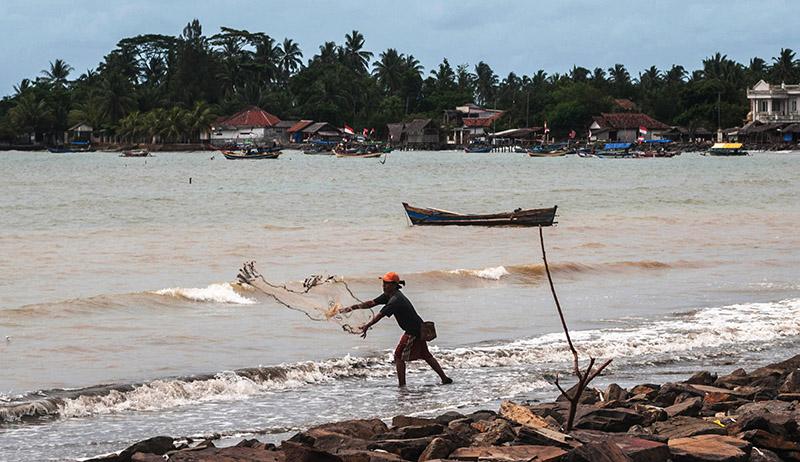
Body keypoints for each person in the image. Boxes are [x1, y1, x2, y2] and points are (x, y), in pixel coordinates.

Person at [341, 272, 453, 387]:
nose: (384, 286)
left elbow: (380, 315)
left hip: (413, 332)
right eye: (383, 283)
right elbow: (371, 303)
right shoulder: (389, 295)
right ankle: (444, 378)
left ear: (395, 285)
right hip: (419, 328)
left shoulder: (396, 300)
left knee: (398, 356)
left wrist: (367, 326)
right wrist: (351, 308)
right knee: (426, 355)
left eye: (387, 284)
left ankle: (402, 386)